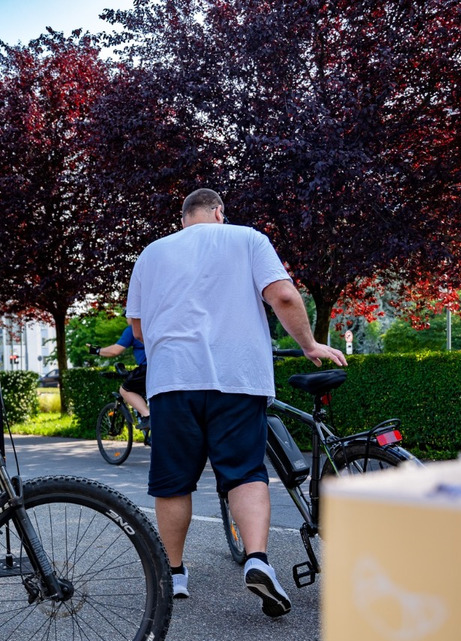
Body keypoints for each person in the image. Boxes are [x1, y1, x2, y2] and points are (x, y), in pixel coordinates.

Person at [125, 188, 346, 615]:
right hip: (238, 377)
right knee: (245, 473)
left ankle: (174, 574)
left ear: (184, 217)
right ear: (218, 212)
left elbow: (137, 329)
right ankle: (258, 560)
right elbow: (283, 296)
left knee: (173, 482)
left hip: (173, 380)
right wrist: (309, 344)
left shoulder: (152, 253)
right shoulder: (248, 239)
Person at [88, 326, 150, 435]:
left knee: (125, 390)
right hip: (169, 367)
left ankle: (148, 416)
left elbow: (115, 351)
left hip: (147, 368)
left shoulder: (134, 328)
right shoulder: (158, 324)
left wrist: (97, 350)